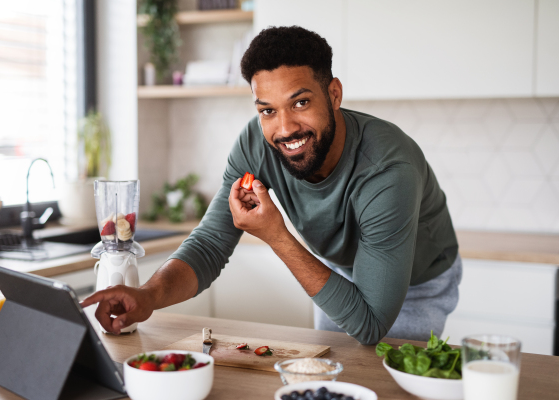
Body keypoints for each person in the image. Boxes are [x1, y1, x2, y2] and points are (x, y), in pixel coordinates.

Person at [81, 26, 461, 345]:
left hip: (418, 282)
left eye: (300, 103)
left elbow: (371, 323)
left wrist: (277, 235)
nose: (284, 129)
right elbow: (211, 243)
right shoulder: (255, 144)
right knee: (338, 378)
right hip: (341, 270)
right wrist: (148, 296)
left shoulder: (387, 170)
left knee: (391, 384)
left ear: (334, 94)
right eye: (267, 110)